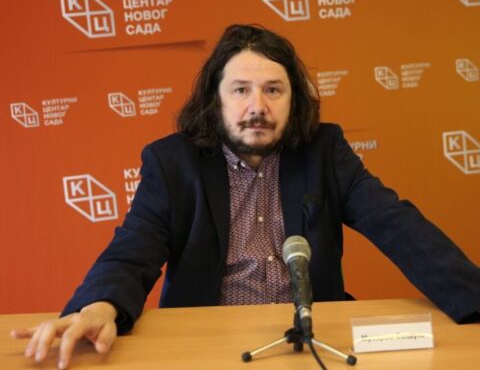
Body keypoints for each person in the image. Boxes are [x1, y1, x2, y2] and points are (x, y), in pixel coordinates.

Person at [12, 24, 480, 369]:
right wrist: (98, 307)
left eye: (273, 90)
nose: (258, 106)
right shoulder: (172, 164)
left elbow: (398, 225)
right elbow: (133, 250)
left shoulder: (323, 151)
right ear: (215, 100)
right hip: (207, 344)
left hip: (310, 340)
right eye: (241, 90)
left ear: (293, 100)